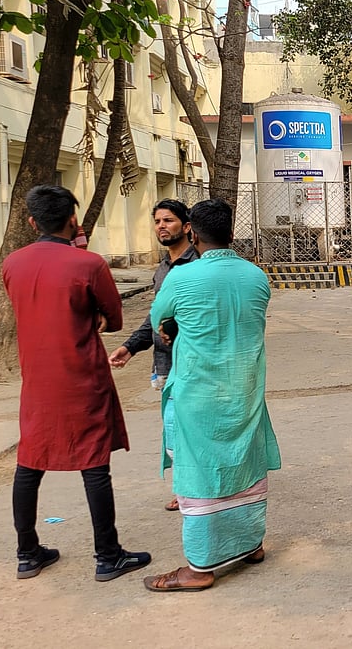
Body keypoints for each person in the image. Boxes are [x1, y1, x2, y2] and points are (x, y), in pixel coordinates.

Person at [0, 185, 151, 582]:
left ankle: (27, 553)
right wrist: (96, 318)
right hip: (82, 376)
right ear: (73, 220)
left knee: (29, 463)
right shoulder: (88, 264)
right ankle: (107, 555)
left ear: (32, 222)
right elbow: (113, 318)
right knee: (94, 463)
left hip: (37, 378)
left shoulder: (12, 263)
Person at [142, 199, 282, 592]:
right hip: (246, 389)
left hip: (198, 393)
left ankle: (199, 568)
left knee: (199, 475)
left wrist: (173, 326)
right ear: (231, 232)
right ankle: (250, 545)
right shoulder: (256, 276)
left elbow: (159, 319)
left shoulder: (181, 277)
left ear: (193, 232)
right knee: (245, 467)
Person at [109, 199, 198, 512]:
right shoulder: (163, 269)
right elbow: (155, 317)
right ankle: (186, 485)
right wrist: (130, 347)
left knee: (186, 427)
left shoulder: (197, 264)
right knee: (174, 427)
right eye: (158, 221)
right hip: (165, 363)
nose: (162, 226)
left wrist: (175, 327)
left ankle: (192, 488)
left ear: (187, 227)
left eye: (169, 220)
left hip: (193, 364)